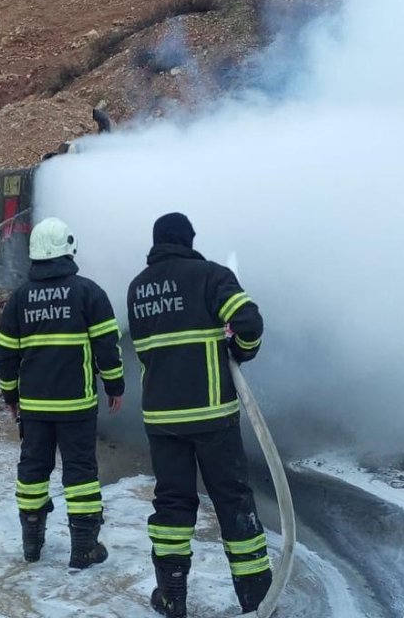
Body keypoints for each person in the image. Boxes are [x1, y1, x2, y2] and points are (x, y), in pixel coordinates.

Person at [126, 212, 271, 618]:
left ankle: (172, 596)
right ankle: (256, 598)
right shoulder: (211, 276)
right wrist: (241, 351)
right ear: (188, 240)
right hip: (212, 415)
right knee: (233, 501)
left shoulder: (138, 287)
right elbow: (249, 321)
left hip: (161, 417)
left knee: (172, 504)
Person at [0, 217, 124, 568]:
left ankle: (31, 544)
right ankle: (84, 548)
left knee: (33, 470)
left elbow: (5, 353)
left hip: (34, 407)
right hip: (77, 404)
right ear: (67, 249)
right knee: (80, 472)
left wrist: (11, 396)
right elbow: (106, 346)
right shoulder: (88, 292)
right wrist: (115, 386)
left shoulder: (20, 298)